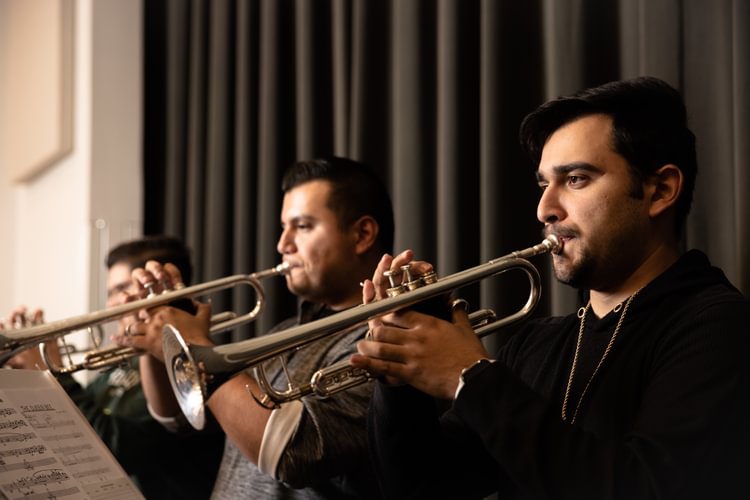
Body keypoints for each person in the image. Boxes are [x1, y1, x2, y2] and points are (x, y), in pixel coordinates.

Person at [351, 77, 750, 499]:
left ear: (660, 190)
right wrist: (401, 371)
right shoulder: (537, 343)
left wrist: (471, 377)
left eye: (576, 179)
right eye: (544, 184)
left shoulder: (719, 326)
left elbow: (645, 487)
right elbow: (424, 488)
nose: (545, 209)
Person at [116, 157, 393, 498]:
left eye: (303, 226)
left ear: (362, 234)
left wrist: (193, 345)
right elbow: (180, 419)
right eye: (283, 227)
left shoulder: (383, 338)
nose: (282, 244)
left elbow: (297, 452)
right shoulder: (283, 331)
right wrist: (157, 336)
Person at [3, 235, 225, 499]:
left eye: (121, 289)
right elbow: (68, 431)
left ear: (157, 290)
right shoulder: (118, 365)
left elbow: (114, 451)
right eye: (110, 292)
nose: (111, 304)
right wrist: (25, 378)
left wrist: (49, 374)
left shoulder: (182, 367)